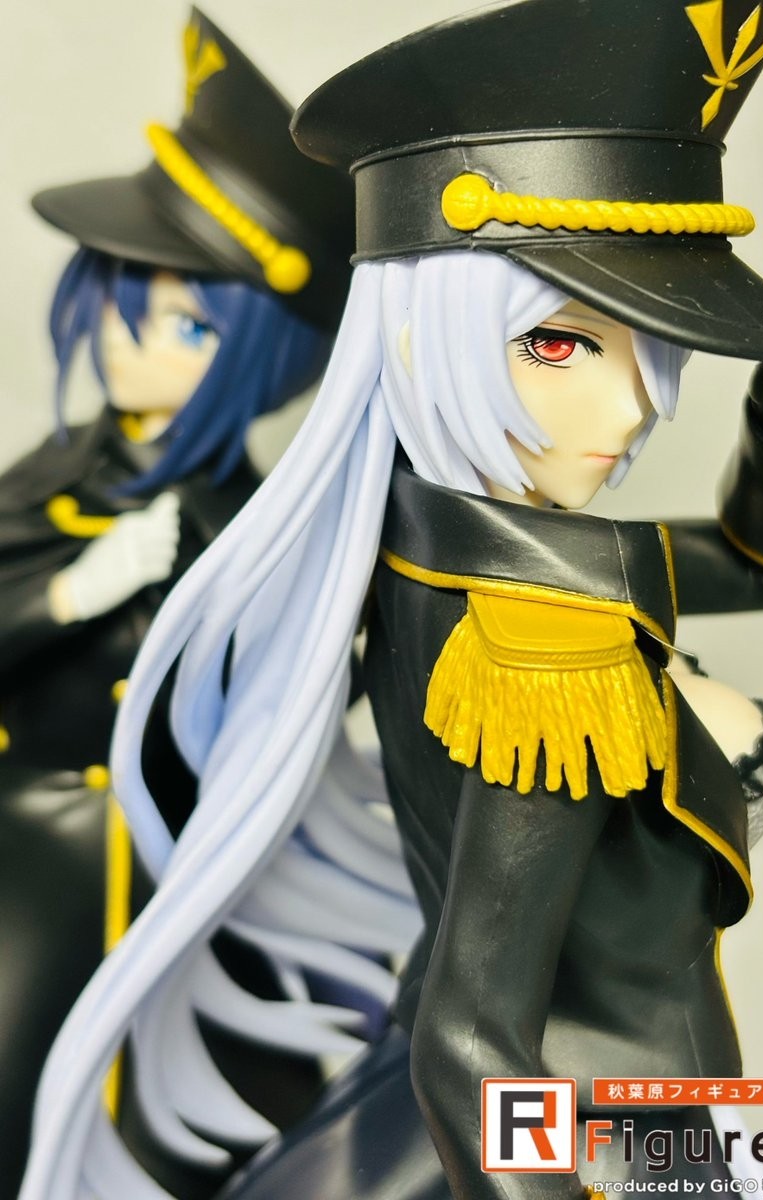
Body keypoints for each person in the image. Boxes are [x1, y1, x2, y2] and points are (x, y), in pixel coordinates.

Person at [18, 1, 763, 1197]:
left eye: (646, 341)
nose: (633, 406)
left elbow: (757, 565)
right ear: (427, 334)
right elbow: (472, 1039)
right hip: (616, 1136)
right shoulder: (539, 643)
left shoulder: (418, 540)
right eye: (558, 344)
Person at [0, 7, 363, 1197]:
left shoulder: (261, 531)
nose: (133, 342)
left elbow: (306, 705)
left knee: (248, 1135)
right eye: (127, 296)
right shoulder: (48, 481)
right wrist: (73, 592)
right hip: (27, 849)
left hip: (192, 889)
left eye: (191, 322)